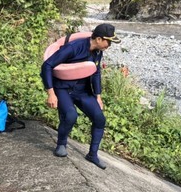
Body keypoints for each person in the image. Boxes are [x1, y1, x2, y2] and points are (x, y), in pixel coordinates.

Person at [40, 23, 121, 169]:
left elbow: (96, 72)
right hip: (63, 88)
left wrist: (98, 96)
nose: (109, 45)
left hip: (83, 90)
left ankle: (93, 155)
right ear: (98, 39)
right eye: (108, 41)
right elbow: (47, 66)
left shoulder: (98, 52)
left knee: (99, 119)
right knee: (71, 115)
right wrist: (51, 93)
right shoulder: (73, 48)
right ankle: (61, 145)